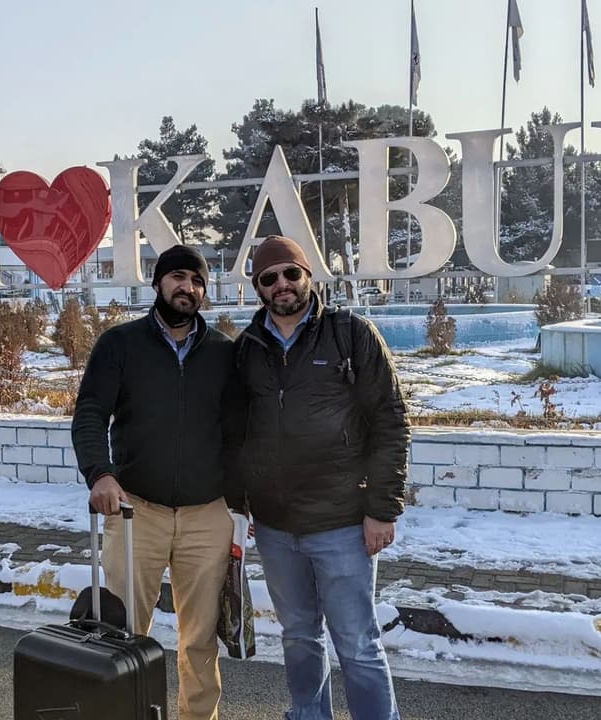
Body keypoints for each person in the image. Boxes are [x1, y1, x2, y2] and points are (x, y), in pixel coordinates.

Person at [229, 235, 409, 720]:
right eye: (269, 278)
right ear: (258, 288)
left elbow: (390, 421)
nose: (282, 284)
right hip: (276, 528)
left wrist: (382, 508)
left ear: (309, 276)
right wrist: (239, 502)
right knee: (298, 636)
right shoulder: (247, 348)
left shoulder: (350, 334)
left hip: (343, 523)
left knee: (357, 642)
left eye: (291, 273)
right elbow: (236, 431)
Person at [72, 244, 237, 720]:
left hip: (208, 514)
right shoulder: (119, 344)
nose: (188, 287)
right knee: (122, 635)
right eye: (179, 277)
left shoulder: (224, 353)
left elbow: (241, 431)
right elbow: (90, 413)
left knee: (201, 639)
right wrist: (100, 473)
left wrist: (246, 500)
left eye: (198, 281)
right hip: (135, 509)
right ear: (158, 282)